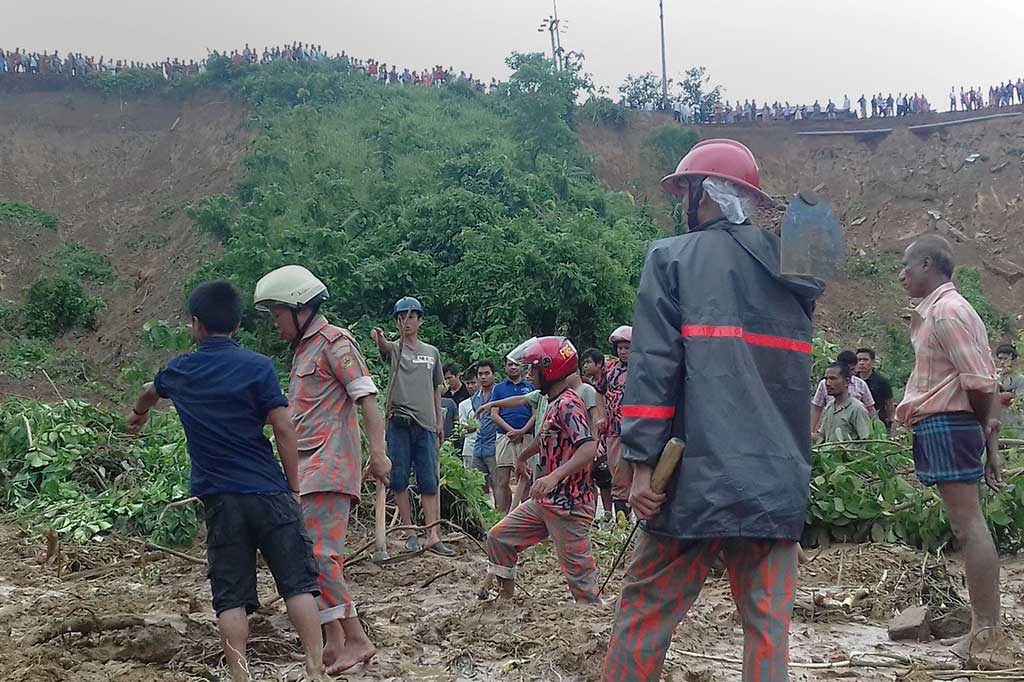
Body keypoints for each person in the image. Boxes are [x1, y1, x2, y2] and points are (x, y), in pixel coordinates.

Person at [603, 139, 825, 682]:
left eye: (685, 189)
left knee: (645, 613)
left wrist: (637, 466)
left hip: (694, 482)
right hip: (776, 481)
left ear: (701, 193)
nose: (682, 199)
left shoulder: (671, 258)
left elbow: (653, 369)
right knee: (769, 625)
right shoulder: (795, 274)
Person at [127, 281, 325, 682]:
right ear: (237, 324)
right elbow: (284, 430)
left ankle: (241, 676)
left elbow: (151, 390)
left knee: (230, 598)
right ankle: (315, 669)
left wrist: (138, 414)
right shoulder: (258, 367)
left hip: (221, 500)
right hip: (269, 492)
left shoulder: (181, 370)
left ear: (195, 324)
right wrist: (294, 487)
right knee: (297, 585)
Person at [253, 265, 390, 674]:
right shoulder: (304, 351)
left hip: (330, 466)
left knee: (320, 556)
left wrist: (379, 454)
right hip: (309, 466)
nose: (275, 324)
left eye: (277, 314)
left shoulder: (336, 343)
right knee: (316, 555)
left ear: (298, 309)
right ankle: (333, 642)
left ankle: (357, 639)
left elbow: (367, 400)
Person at [895, 235, 1005, 659]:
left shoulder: (947, 312)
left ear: (928, 264)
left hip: (950, 421)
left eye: (908, 266)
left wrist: (982, 429)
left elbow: (980, 380)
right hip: (950, 422)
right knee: (966, 522)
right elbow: (985, 376)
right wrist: (987, 435)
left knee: (967, 523)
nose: (902, 275)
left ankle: (986, 632)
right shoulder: (946, 311)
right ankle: (984, 627)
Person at [483, 337, 600, 603]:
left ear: (550, 369)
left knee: (581, 584)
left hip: (569, 505)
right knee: (500, 538)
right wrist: (524, 455)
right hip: (546, 501)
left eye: (533, 369)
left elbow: (588, 448)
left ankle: (594, 616)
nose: (529, 374)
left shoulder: (569, 404)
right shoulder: (552, 402)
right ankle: (505, 598)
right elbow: (546, 435)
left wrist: (553, 476)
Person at [370, 297, 455, 556]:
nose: (405, 322)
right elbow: (384, 348)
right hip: (398, 422)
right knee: (398, 479)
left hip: (426, 424)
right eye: (401, 318)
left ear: (420, 321)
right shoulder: (395, 350)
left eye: (410, 317)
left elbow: (436, 388)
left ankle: (432, 534)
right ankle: (410, 533)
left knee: (429, 480)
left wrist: (439, 422)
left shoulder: (432, 353)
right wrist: (380, 338)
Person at [490, 357, 536, 513]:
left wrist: (522, 430)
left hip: (527, 437)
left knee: (526, 478)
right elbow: (494, 413)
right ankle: (500, 517)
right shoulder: (498, 388)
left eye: (516, 364)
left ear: (522, 367)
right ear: (505, 367)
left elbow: (536, 413)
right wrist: (510, 430)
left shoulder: (531, 388)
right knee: (502, 479)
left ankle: (526, 517)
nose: (513, 367)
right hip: (504, 437)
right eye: (510, 364)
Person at [595, 327, 632, 520]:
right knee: (618, 473)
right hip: (614, 430)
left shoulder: (645, 367)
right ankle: (621, 521)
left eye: (627, 347)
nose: (623, 351)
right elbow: (599, 392)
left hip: (639, 430)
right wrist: (601, 416)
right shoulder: (609, 368)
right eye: (620, 348)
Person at [811, 349, 876, 432]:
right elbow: (817, 408)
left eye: (852, 370)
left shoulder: (860, 387)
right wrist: (811, 431)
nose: (828, 383)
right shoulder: (830, 407)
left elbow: (870, 408)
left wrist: (877, 430)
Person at [814, 363, 872, 443]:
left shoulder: (856, 409)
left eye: (833, 379)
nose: (827, 383)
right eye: (826, 379)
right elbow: (822, 437)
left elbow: (867, 441)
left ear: (847, 382)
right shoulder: (830, 407)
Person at [471, 360, 500, 491]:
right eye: (480, 374)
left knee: (498, 485)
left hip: (495, 445)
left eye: (487, 373)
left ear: (494, 375)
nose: (483, 377)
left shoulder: (500, 393)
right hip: (478, 446)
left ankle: (502, 512)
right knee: (476, 486)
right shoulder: (474, 398)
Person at [856, 347, 895, 431]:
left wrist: (890, 420)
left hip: (878, 423)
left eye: (865, 360)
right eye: (859, 360)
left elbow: (889, 403)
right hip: (856, 423)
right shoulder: (851, 380)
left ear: (873, 362)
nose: (861, 363)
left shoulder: (882, 381)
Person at [995, 344, 1024, 438]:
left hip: (1014, 422)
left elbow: (1019, 401)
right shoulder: (995, 378)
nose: (1002, 362)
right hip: (997, 420)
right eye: (1000, 359)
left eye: (1005, 359)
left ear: (1013, 360)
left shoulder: (1020, 379)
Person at [458, 372, 481, 469]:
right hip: (469, 447)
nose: (470, 386)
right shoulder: (463, 405)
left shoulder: (491, 400)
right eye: (468, 383)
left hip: (489, 447)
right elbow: (462, 429)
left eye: (473, 383)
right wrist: (478, 425)